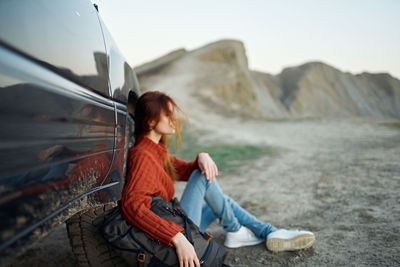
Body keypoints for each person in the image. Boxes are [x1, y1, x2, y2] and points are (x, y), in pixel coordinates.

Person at [121, 91, 315, 267]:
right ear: (151, 122)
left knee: (221, 201)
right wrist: (176, 237)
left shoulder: (155, 152)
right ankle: (246, 231)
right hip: (174, 230)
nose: (174, 120)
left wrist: (202, 156)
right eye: (168, 115)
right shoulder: (142, 155)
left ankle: (265, 232)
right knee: (203, 177)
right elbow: (133, 204)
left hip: (179, 220)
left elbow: (185, 169)